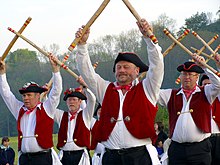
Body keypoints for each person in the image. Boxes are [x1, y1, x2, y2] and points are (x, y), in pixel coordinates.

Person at [74, 18, 164, 165]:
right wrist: (82, 45)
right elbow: (87, 73)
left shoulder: (148, 88)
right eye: (119, 67)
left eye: (126, 67)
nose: (121, 70)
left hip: (139, 157)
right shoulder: (105, 89)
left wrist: (149, 39)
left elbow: (157, 65)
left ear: (137, 71)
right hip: (111, 157)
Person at [0, 54, 62, 165]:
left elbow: (57, 91)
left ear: (38, 95)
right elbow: (6, 94)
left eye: (29, 95)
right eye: (24, 96)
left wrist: (56, 70)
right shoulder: (19, 109)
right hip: (24, 159)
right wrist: (2, 73)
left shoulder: (47, 108)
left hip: (42, 158)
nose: (26, 98)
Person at [158, 54, 220, 165]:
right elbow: (151, 93)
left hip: (199, 149)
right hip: (177, 149)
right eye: (184, 74)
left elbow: (218, 85)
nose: (187, 77)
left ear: (197, 77)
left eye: (190, 74)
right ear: (180, 77)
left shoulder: (205, 92)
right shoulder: (170, 95)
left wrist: (204, 67)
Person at [54, 76, 96, 165]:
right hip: (64, 156)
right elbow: (48, 108)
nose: (71, 102)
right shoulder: (61, 116)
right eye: (69, 100)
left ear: (80, 101)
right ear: (66, 102)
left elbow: (92, 100)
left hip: (81, 156)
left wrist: (85, 86)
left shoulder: (86, 115)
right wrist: (45, 96)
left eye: (74, 100)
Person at [199, 54, 220, 165]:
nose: (207, 88)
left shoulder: (218, 97)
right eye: (204, 85)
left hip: (218, 139)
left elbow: (218, 84)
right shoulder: (197, 100)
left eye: (209, 85)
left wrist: (217, 67)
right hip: (203, 139)